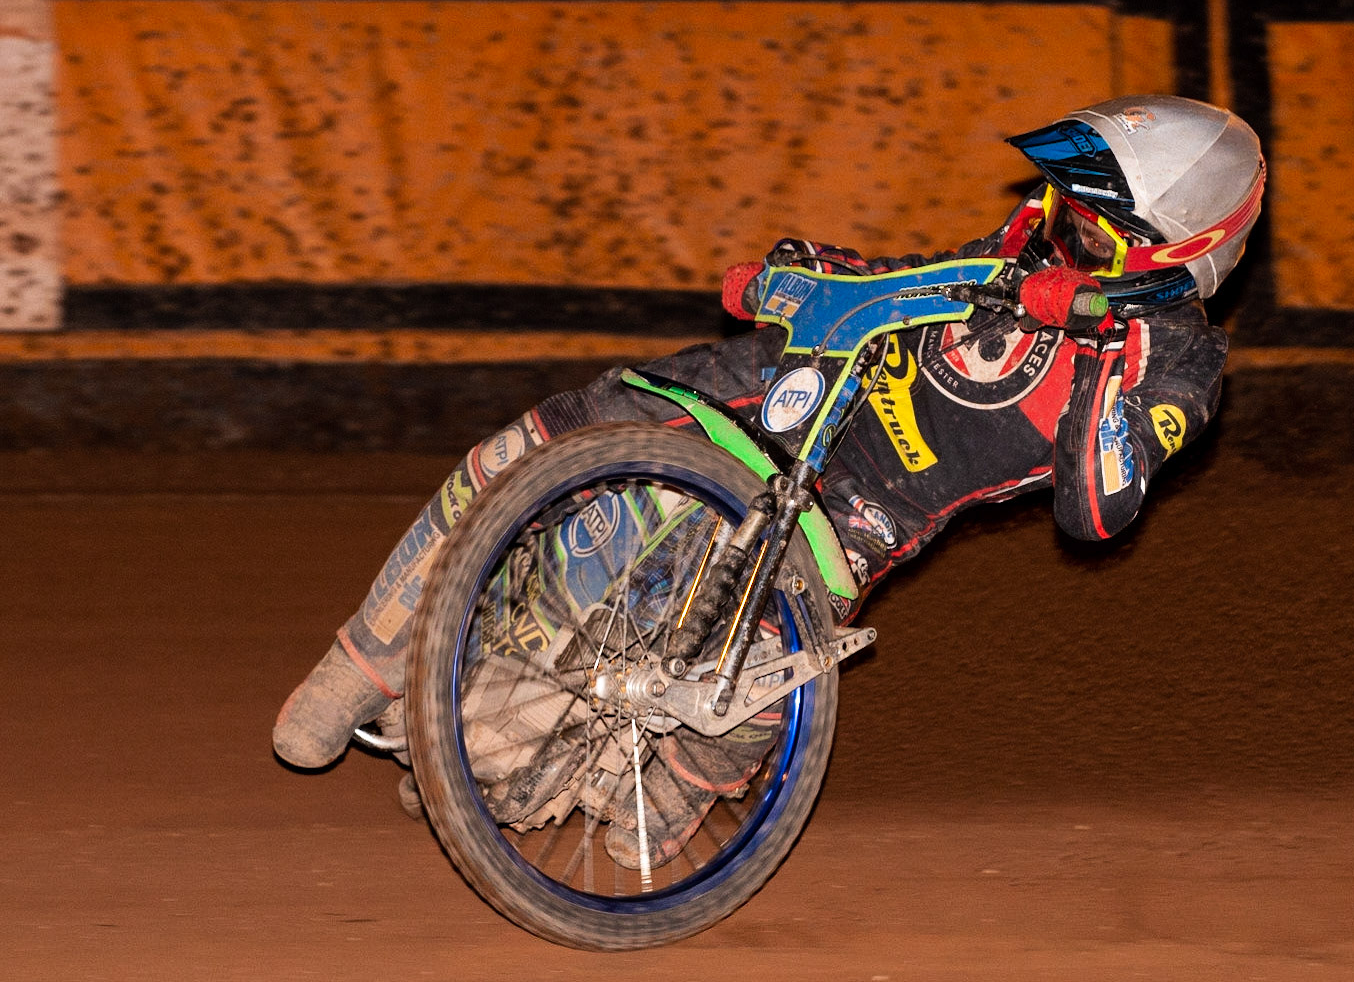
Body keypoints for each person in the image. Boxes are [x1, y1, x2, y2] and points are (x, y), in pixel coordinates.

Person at [273, 94, 1265, 867]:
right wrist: (816, 270)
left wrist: (1097, 336)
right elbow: (900, 281)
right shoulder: (1010, 253)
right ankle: (358, 663)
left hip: (851, 514)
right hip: (764, 399)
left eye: (1085, 230)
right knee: (540, 444)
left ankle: (675, 787)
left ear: (1173, 254)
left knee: (590, 748)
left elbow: (1095, 510)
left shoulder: (1177, 364)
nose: (1048, 230)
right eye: (1053, 204)